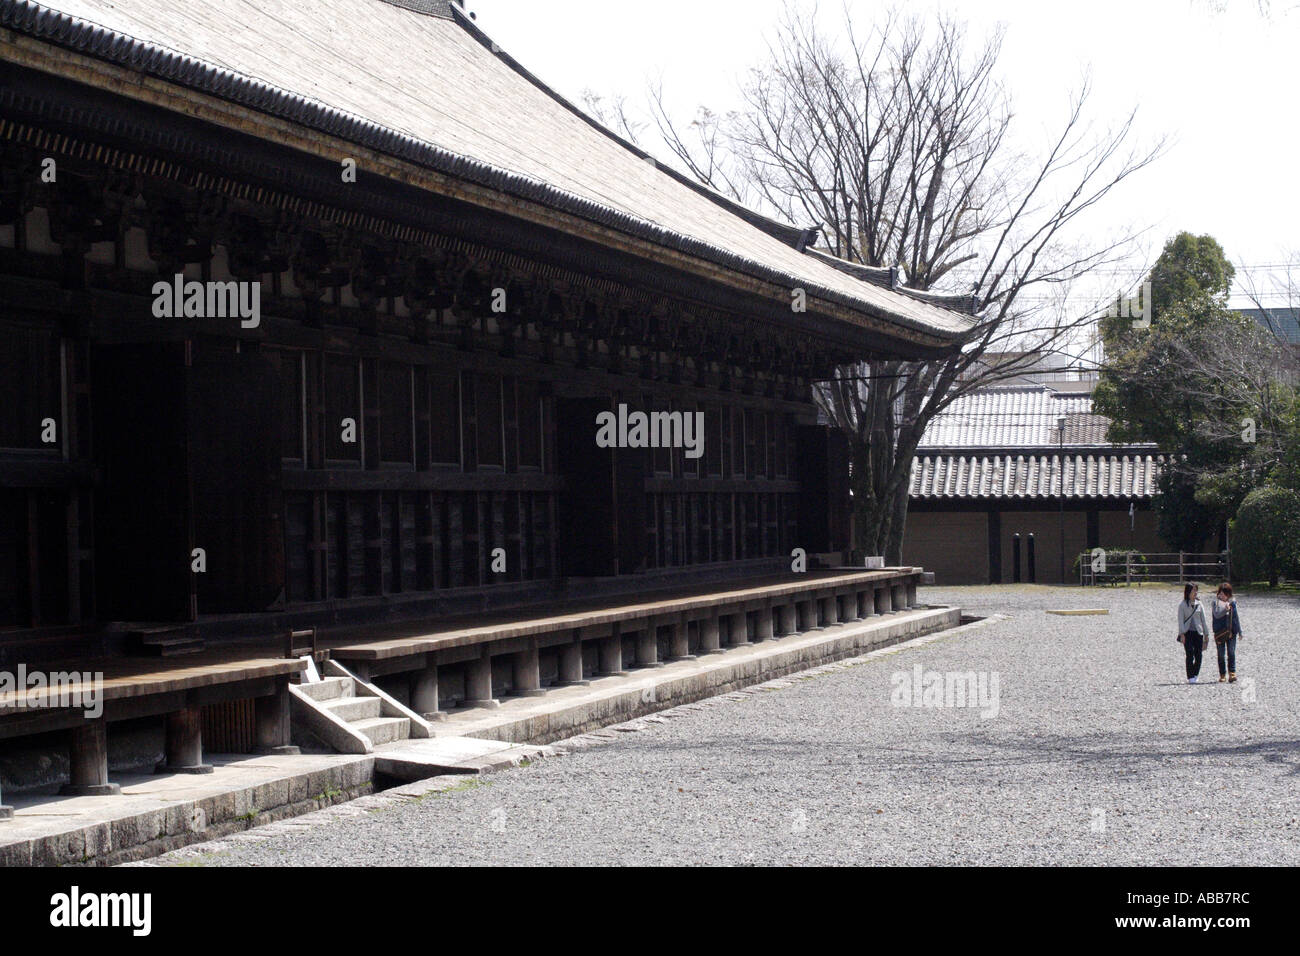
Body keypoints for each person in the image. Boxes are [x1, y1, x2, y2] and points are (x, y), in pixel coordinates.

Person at [1176, 582, 1209, 684]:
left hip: (1198, 632)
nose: (1195, 592)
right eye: (1193, 590)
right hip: (1187, 632)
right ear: (1188, 592)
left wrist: (1206, 634)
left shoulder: (1200, 604)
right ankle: (1190, 676)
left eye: (1196, 590)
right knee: (1189, 653)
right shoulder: (1182, 605)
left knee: (1198, 654)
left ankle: (1195, 674)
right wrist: (1182, 634)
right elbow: (1180, 620)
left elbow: (1204, 620)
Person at [1212, 582, 1244, 684]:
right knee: (1221, 654)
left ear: (1229, 594)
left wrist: (1239, 631)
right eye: (1220, 593)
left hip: (1231, 632)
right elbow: (1216, 615)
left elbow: (1236, 617)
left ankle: (1232, 673)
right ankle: (1222, 675)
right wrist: (1225, 610)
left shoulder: (1233, 603)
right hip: (1220, 633)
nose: (1222, 596)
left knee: (1231, 652)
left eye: (1225, 594)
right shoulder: (1215, 603)